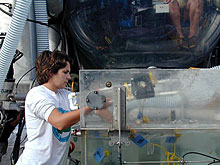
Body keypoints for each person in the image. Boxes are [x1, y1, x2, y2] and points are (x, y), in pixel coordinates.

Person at [15, 50, 94, 165]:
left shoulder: (65, 94)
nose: (69, 77)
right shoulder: (37, 95)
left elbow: (91, 102)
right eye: (65, 72)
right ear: (51, 72)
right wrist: (90, 107)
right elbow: (59, 122)